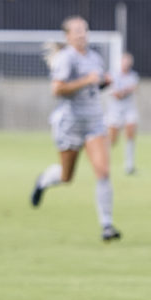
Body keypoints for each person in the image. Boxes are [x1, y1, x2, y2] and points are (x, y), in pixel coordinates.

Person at [30, 16, 121, 242]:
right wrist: (86, 80)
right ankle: (43, 181)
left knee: (103, 172)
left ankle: (107, 226)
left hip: (93, 122)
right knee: (66, 176)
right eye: (77, 31)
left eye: (85, 30)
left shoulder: (95, 58)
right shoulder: (65, 59)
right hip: (70, 124)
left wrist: (103, 83)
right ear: (68, 36)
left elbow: (94, 87)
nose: (82, 35)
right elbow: (57, 89)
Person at [105, 51, 140, 174]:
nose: (126, 64)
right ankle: (105, 163)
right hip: (115, 111)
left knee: (130, 134)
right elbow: (115, 94)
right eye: (124, 61)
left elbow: (134, 87)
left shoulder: (133, 76)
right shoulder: (113, 75)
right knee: (113, 139)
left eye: (128, 62)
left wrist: (123, 91)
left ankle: (129, 165)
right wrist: (123, 91)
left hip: (129, 109)